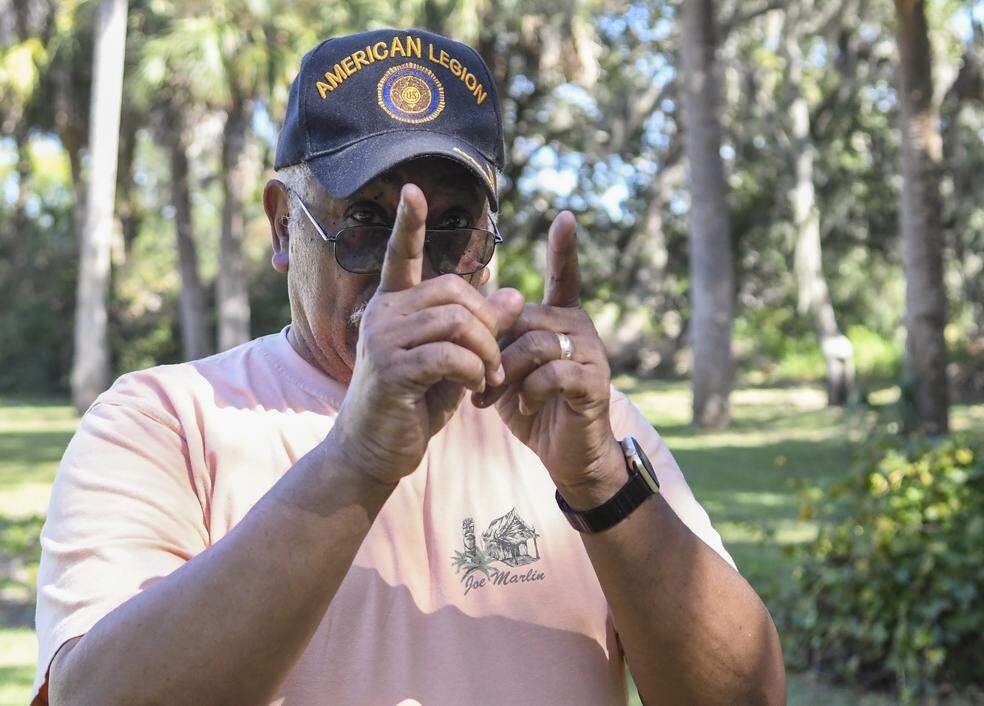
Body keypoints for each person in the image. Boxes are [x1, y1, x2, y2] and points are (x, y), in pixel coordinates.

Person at [32, 28, 785, 705]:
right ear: (282, 225)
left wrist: (599, 486)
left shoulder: (580, 426)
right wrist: (356, 459)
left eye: (451, 224)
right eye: (367, 221)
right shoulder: (166, 422)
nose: (412, 266)